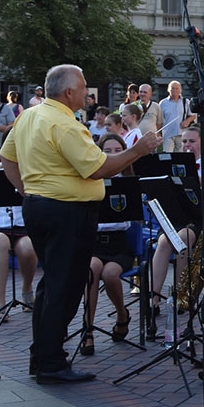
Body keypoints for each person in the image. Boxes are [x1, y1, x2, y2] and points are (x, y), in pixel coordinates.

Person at [0, 64, 161, 384]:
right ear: (69, 92)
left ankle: (43, 355)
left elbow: (8, 157)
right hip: (66, 212)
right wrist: (138, 150)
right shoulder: (64, 124)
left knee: (52, 283)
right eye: (84, 86)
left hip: (39, 207)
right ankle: (51, 362)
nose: (88, 92)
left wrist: (28, 190)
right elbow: (98, 168)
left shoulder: (29, 116)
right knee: (66, 286)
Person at [147, 126, 204, 339]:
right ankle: (154, 299)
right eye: (184, 142)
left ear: (201, 144)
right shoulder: (173, 166)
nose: (187, 146)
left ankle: (182, 295)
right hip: (180, 219)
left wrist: (198, 182)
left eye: (192, 141)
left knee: (183, 238)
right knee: (164, 241)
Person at [79, 134, 137, 356]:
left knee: (111, 274)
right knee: (91, 269)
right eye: (108, 151)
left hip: (119, 244)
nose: (113, 155)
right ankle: (88, 330)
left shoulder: (129, 181)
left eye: (117, 150)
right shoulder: (91, 178)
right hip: (94, 242)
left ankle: (122, 315)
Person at [0, 191, 37, 323]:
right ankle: (0, 303)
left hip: (23, 224)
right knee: (0, 242)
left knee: (28, 246)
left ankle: (27, 289)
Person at [159, 81, 195, 152]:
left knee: (180, 158)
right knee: (168, 156)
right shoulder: (163, 103)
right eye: (172, 88)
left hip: (181, 134)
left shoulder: (185, 102)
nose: (174, 90)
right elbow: (159, 119)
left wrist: (187, 121)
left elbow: (193, 115)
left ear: (180, 90)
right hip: (168, 134)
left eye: (177, 88)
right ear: (168, 90)